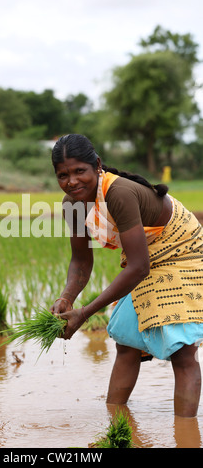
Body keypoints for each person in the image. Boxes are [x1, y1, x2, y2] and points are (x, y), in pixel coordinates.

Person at [51, 133, 203, 418]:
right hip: (146, 258)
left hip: (182, 251)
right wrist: (67, 298)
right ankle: (116, 422)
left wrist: (84, 313)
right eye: (63, 175)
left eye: (79, 171)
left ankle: (186, 435)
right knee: (127, 344)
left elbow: (138, 267)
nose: (71, 181)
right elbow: (81, 259)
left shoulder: (118, 193)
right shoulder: (72, 205)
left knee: (182, 353)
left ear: (97, 165)